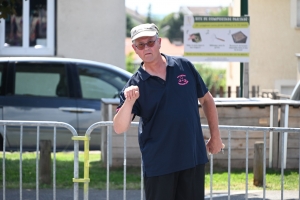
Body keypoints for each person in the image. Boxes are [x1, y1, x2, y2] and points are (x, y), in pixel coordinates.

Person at [113, 23, 224, 200]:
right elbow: (119, 128)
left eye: (150, 42)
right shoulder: (135, 85)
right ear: (135, 49)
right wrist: (129, 102)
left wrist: (215, 136)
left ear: (159, 42)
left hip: (192, 158)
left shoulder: (184, 66)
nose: (146, 48)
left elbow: (207, 100)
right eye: (141, 45)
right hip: (159, 165)